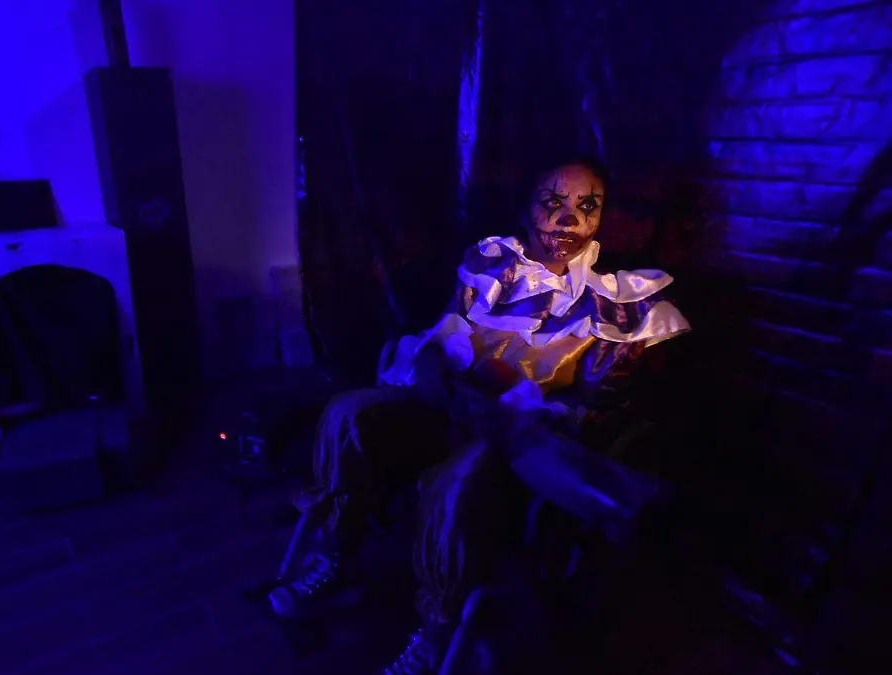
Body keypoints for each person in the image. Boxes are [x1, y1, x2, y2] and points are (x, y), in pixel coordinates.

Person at [266, 157, 691, 674]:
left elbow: (592, 404)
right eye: (552, 203)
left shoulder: (612, 303)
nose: (569, 220)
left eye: (587, 206)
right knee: (349, 413)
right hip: (448, 404)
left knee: (461, 480)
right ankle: (338, 557)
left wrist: (548, 407)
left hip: (511, 433)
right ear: (526, 209)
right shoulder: (491, 265)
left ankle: (437, 634)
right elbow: (440, 335)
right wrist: (432, 368)